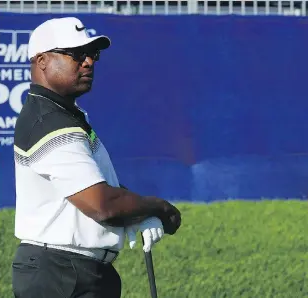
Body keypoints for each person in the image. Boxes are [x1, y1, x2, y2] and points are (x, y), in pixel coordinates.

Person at [12, 17, 181, 298]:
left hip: (71, 271)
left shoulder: (62, 114)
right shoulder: (50, 121)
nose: (89, 62)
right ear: (41, 61)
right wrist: (157, 208)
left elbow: (101, 190)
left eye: (92, 54)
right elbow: (102, 204)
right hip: (61, 274)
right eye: (76, 55)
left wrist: (137, 215)